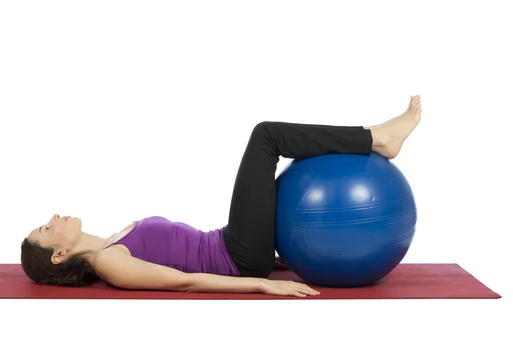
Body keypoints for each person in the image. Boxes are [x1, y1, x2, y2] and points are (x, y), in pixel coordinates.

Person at [21, 95, 422, 297]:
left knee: (266, 135)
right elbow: (184, 282)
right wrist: (262, 285)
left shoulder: (112, 243)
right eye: (46, 227)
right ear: (58, 255)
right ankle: (377, 138)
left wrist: (279, 263)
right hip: (239, 256)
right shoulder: (109, 262)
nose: (54, 217)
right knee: (266, 135)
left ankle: (376, 138)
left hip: (239, 246)